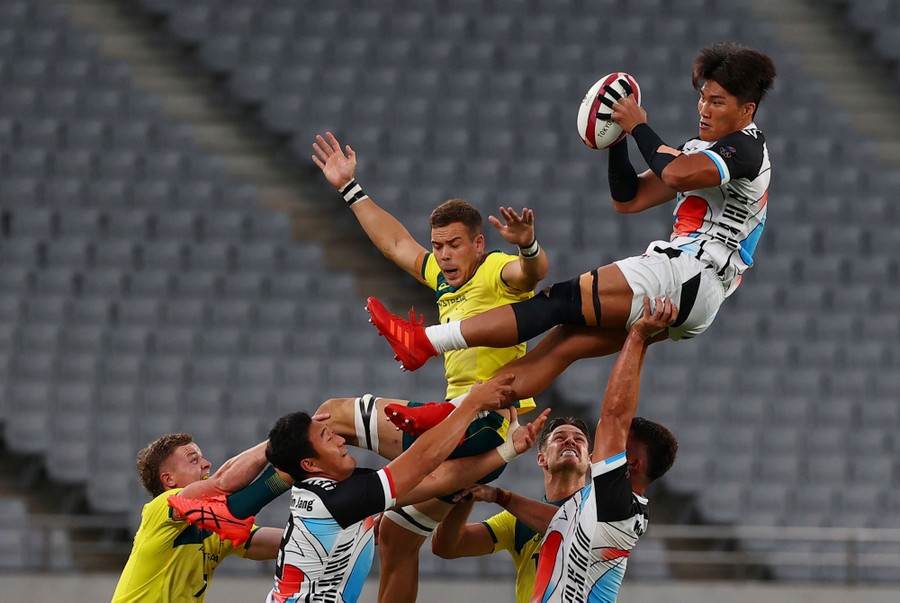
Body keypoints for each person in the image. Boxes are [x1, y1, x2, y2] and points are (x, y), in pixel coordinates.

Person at [365, 42, 777, 417]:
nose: (704, 109)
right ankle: (457, 413)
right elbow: (629, 198)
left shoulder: (746, 148)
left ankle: (426, 341)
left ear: (747, 110)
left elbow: (676, 174)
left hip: (690, 271)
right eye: (702, 97)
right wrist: (615, 137)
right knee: (565, 342)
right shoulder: (703, 151)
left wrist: (637, 125)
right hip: (692, 289)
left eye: (717, 101)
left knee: (558, 299)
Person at [312, 130, 551, 602]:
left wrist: (528, 246)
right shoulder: (445, 280)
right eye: (438, 246)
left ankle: (320, 513)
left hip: (483, 423)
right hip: (456, 426)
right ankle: (345, 507)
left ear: (478, 244)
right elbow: (396, 245)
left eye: (453, 245)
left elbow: (532, 274)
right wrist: (349, 188)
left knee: (330, 416)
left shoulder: (496, 269)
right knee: (397, 541)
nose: (443, 256)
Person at [261, 375, 549, 603]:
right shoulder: (340, 500)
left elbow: (435, 480)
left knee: (395, 533)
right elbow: (426, 463)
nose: (339, 439)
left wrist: (508, 450)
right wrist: (471, 405)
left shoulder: (324, 491)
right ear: (310, 464)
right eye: (327, 437)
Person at [475, 297, 678, 602]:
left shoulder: (616, 506)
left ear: (632, 465)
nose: (605, 444)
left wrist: (637, 336)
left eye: (620, 443)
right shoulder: (602, 508)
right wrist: (499, 496)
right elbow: (558, 523)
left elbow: (613, 415)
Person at [111, 431, 294, 602]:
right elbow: (224, 483)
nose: (207, 463)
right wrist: (285, 437)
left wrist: (300, 464)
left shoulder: (214, 526)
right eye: (193, 460)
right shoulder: (161, 506)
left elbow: (290, 543)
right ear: (169, 480)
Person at [431, 417, 591, 603]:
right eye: (559, 438)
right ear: (542, 458)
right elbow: (447, 547)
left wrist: (501, 497)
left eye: (579, 439)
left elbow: (570, 527)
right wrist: (467, 487)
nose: (570, 441)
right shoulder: (516, 520)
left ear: (589, 461)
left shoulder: (605, 508)